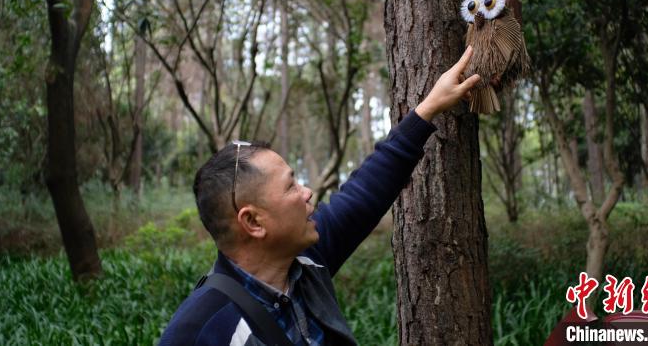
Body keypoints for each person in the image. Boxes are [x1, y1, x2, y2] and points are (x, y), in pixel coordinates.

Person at [158, 46, 482, 346]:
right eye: (290, 187)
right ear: (253, 221)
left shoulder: (307, 258)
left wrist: (429, 108)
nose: (308, 192)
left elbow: (364, 194)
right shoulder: (200, 330)